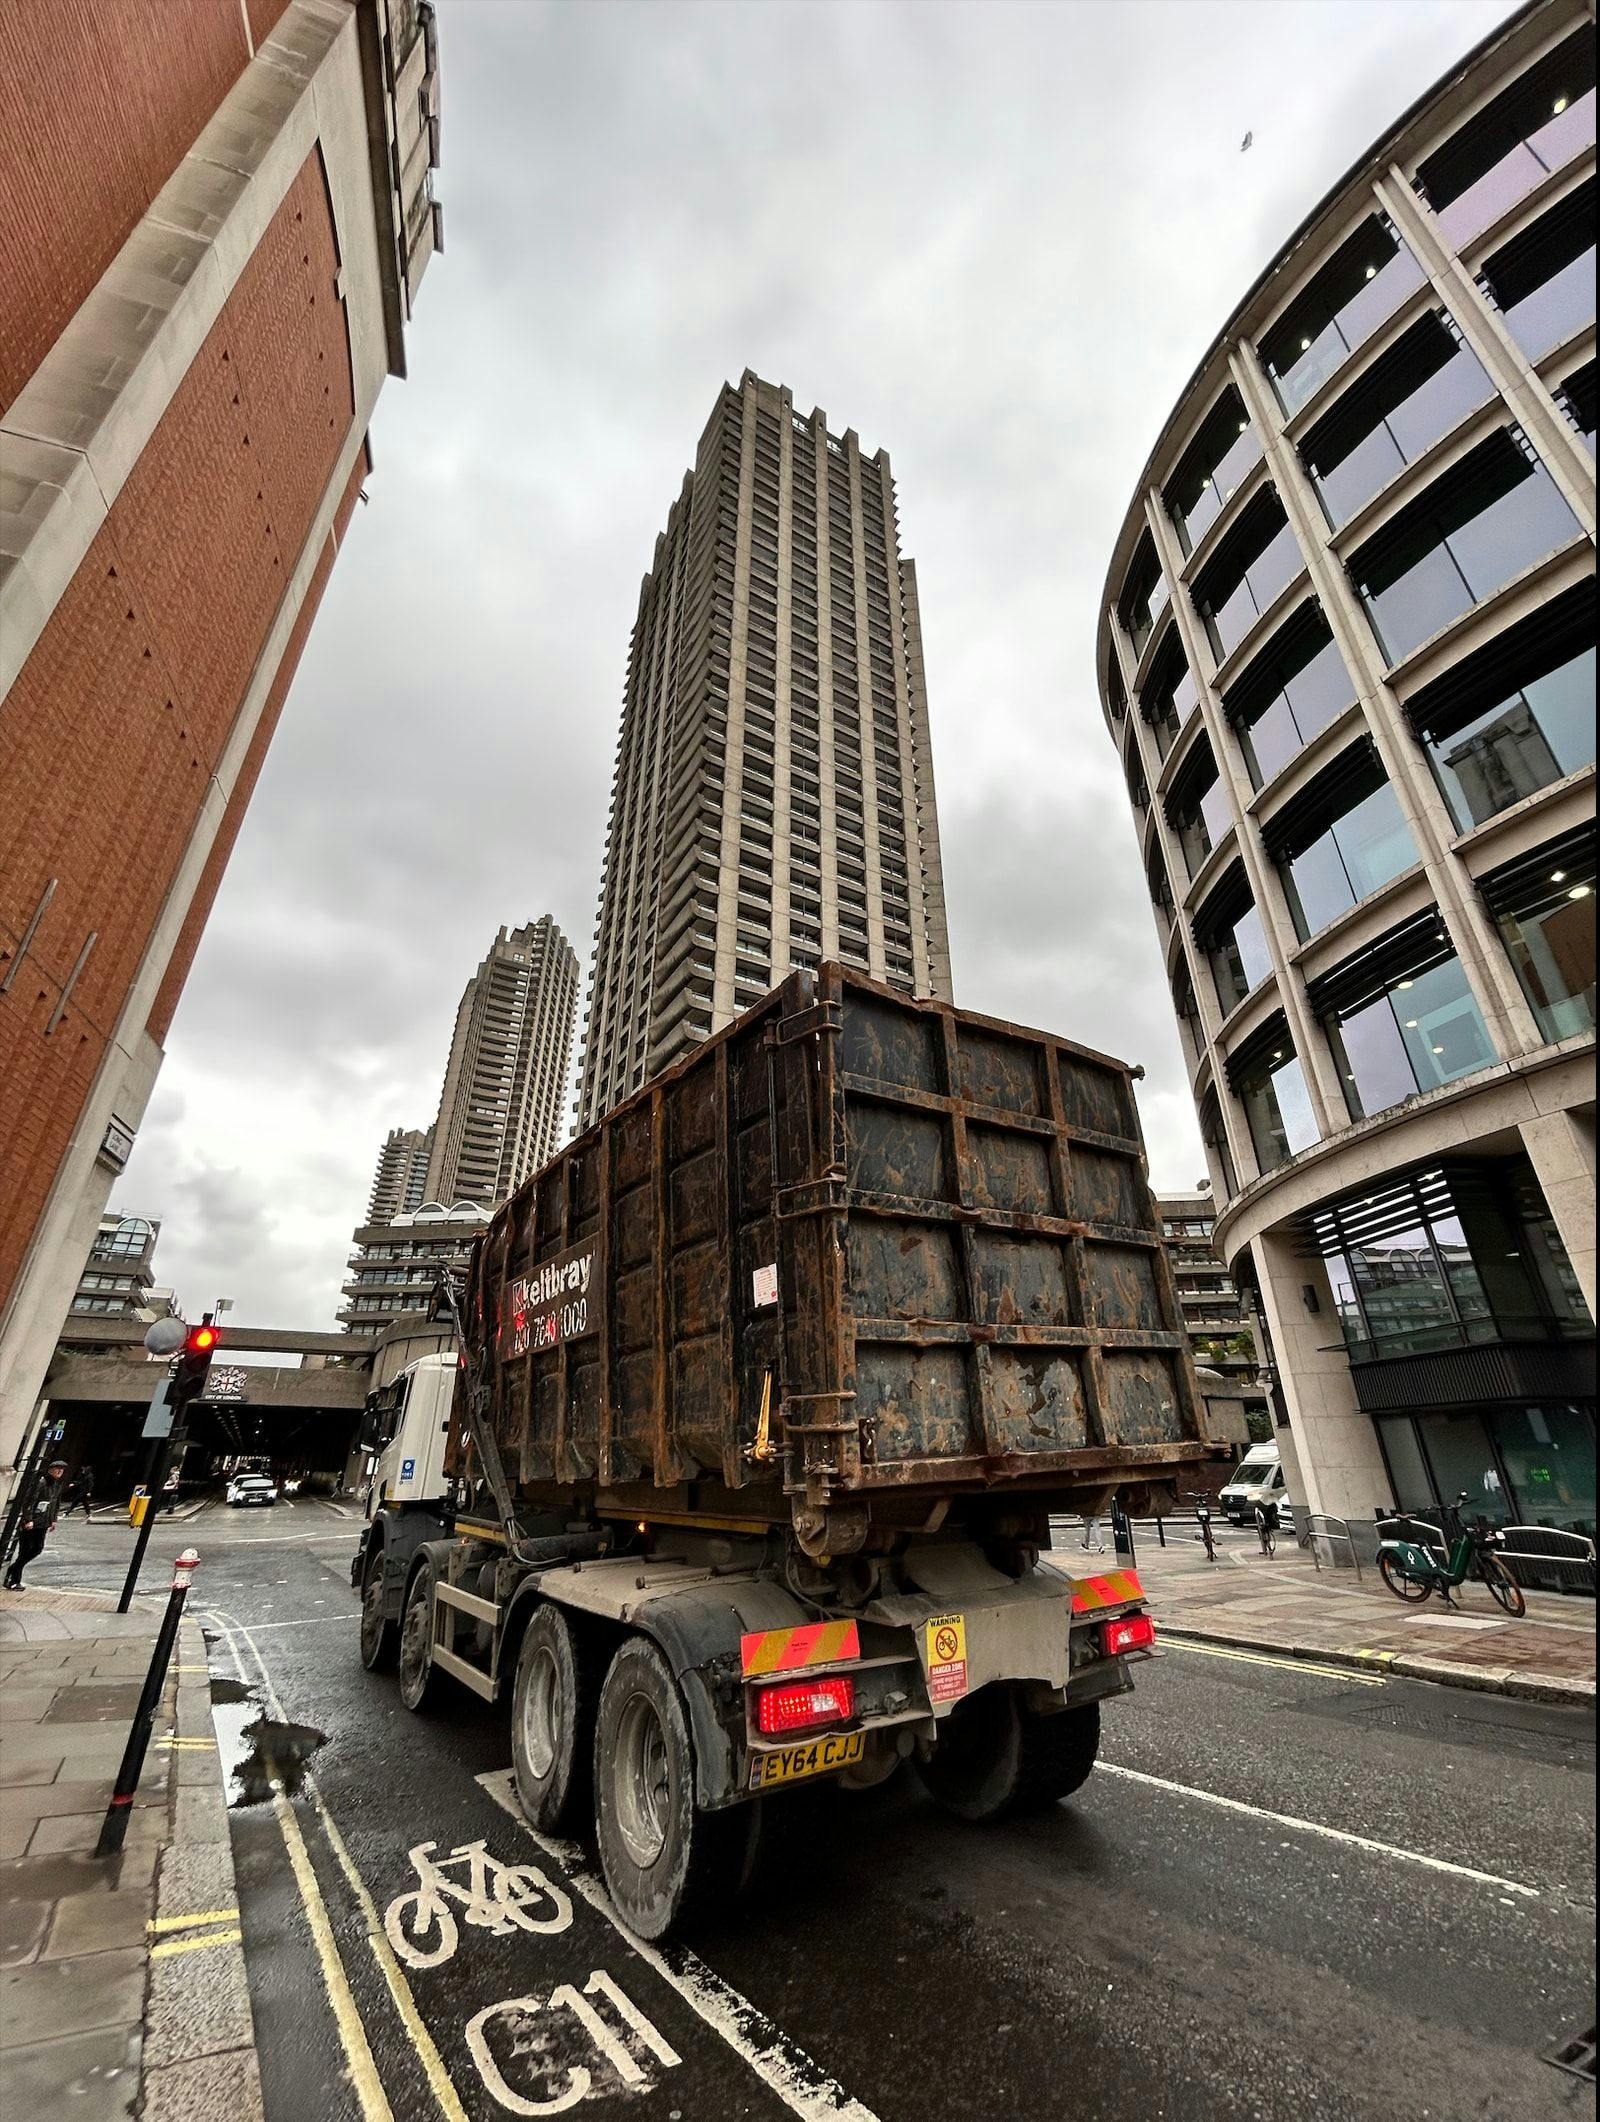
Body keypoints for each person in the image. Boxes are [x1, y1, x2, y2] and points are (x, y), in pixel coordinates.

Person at [3, 1465, 65, 1590]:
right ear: (50, 1470)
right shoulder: (41, 1482)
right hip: (31, 1523)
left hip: (43, 1523)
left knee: (37, 1548)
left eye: (62, 1470)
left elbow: (56, 1503)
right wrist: (28, 1519)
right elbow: (29, 1501)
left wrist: (54, 1520)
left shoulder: (57, 1485)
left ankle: (12, 1569)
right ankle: (13, 1581)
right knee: (24, 1551)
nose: (59, 1471)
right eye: (57, 1469)